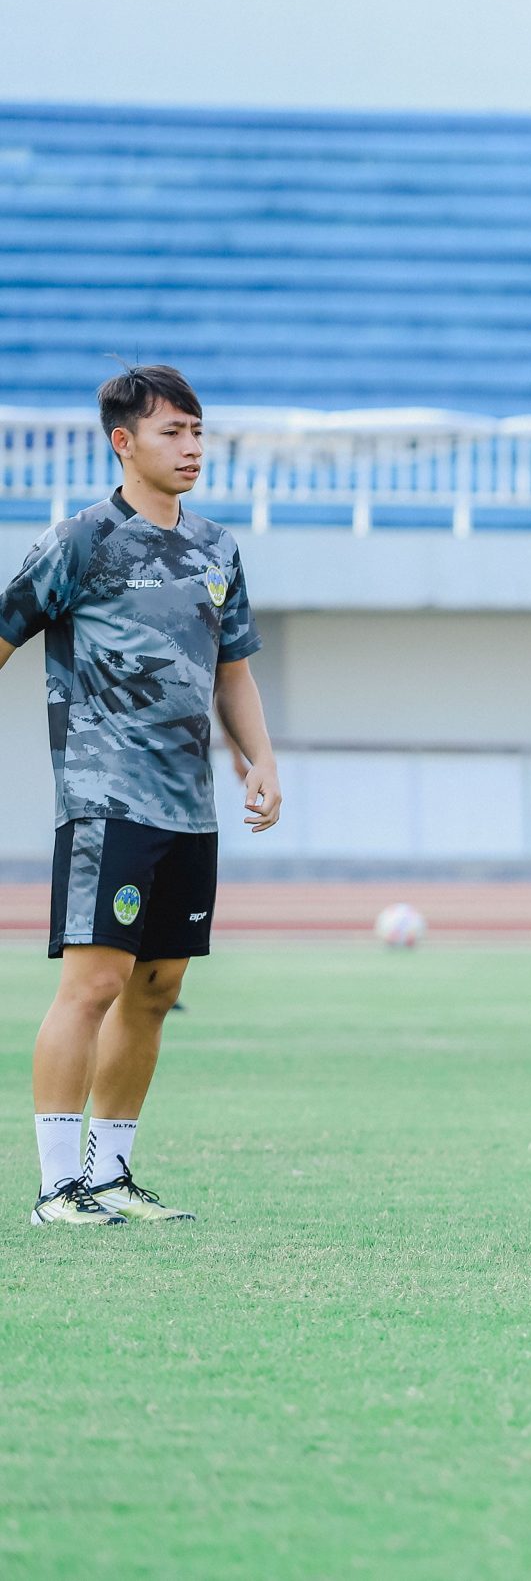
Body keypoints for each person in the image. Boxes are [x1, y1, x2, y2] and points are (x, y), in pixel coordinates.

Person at [0, 365, 281, 1226]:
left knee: (155, 985)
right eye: (173, 433)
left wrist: (259, 759)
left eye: (199, 432)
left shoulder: (216, 549)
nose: (192, 447)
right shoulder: (79, 541)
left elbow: (231, 670)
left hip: (187, 804)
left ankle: (112, 1173)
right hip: (107, 795)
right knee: (93, 983)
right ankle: (57, 1188)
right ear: (123, 442)